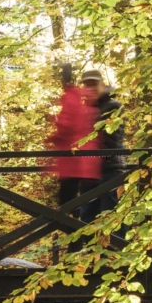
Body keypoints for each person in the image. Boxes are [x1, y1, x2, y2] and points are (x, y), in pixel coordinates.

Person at [47, 64, 101, 223]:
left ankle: (76, 243)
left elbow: (68, 126)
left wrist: (54, 137)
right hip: (86, 164)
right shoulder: (82, 100)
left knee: (69, 208)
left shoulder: (72, 98)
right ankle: (79, 242)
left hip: (75, 164)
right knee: (83, 209)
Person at [80, 69, 125, 217]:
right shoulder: (84, 109)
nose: (90, 88)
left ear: (102, 85)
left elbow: (112, 139)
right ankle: (86, 241)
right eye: (87, 85)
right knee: (87, 215)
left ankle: (117, 241)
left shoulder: (113, 106)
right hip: (88, 171)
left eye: (94, 84)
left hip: (109, 168)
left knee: (111, 215)